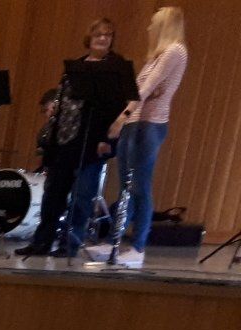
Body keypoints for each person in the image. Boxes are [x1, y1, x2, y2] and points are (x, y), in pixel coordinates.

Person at [87, 6, 188, 268]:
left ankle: (139, 246)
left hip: (150, 125)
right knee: (126, 187)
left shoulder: (175, 51)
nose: (149, 28)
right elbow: (137, 89)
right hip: (135, 123)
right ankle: (114, 241)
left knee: (140, 186)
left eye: (154, 23)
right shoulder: (156, 56)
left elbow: (145, 88)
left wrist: (121, 118)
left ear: (165, 26)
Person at [47, 19, 139, 259]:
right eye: (98, 34)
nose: (103, 38)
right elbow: (63, 94)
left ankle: (71, 244)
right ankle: (42, 241)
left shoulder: (118, 66)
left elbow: (129, 99)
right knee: (54, 192)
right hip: (67, 136)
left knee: (83, 194)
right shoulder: (77, 65)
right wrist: (53, 105)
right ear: (89, 38)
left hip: (97, 138)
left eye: (108, 35)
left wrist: (112, 132)